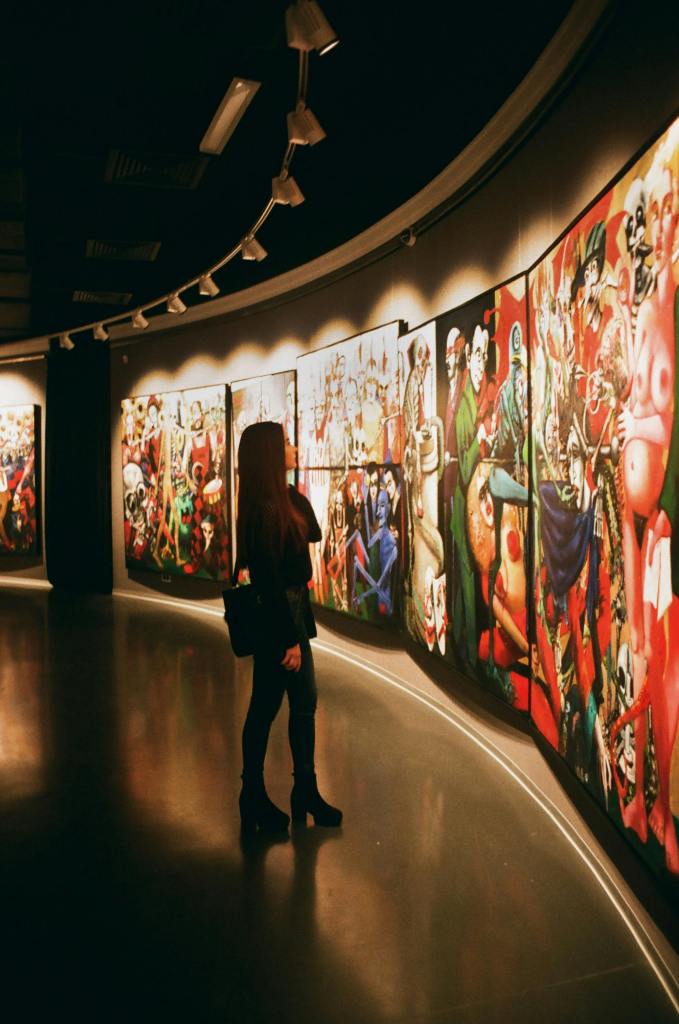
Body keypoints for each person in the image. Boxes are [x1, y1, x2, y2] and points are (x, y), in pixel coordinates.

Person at [236, 421, 343, 833]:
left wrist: (288, 489)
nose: (294, 447)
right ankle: (253, 797)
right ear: (270, 455)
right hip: (281, 622)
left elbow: (312, 531)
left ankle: (305, 791)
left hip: (293, 617)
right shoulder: (265, 510)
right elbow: (269, 580)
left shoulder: (280, 501)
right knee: (265, 706)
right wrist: (289, 641)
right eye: (286, 443)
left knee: (304, 701)